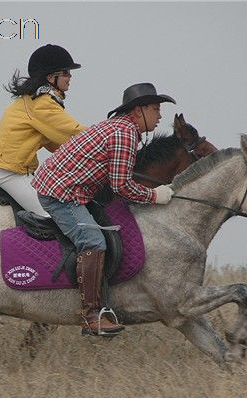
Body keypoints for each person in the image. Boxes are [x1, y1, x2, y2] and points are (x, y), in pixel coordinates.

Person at [32, 83, 176, 337]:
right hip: (61, 194)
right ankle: (91, 316)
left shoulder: (120, 128)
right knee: (94, 241)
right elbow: (122, 186)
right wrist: (155, 195)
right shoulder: (125, 134)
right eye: (155, 109)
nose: (160, 115)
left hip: (68, 188)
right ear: (139, 110)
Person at [0, 44, 86, 217]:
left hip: (16, 170)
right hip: (10, 173)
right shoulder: (42, 104)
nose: (70, 77)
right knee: (57, 215)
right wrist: (109, 135)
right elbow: (74, 133)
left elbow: (58, 144)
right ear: (50, 77)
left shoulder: (38, 99)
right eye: (65, 72)